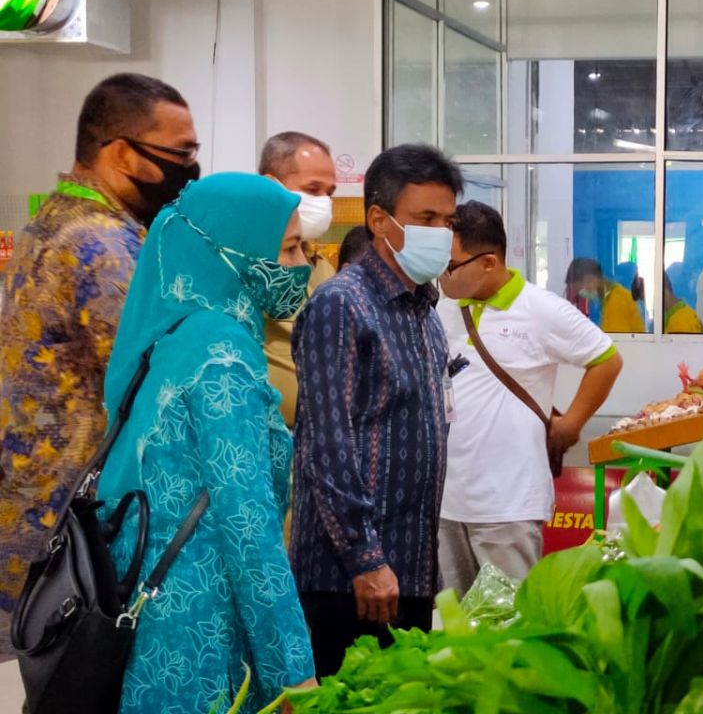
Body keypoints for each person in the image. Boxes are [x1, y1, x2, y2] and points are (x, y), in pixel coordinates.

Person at [95, 173, 315, 712]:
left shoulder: (175, 333)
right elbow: (249, 527)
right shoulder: (224, 358)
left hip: (145, 602)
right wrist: (294, 675)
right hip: (198, 627)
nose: (301, 262)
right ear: (233, 252)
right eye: (288, 247)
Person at [0, 73, 197, 654]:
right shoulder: (103, 246)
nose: (191, 165)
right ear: (119, 153)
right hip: (81, 534)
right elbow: (159, 380)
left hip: (32, 515)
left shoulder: (48, 222)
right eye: (180, 152)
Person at [290, 144, 460, 678]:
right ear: (379, 220)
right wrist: (365, 559)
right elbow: (327, 443)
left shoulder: (424, 311)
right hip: (353, 577)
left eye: (447, 220)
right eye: (425, 219)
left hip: (409, 563)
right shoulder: (342, 304)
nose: (440, 233)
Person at [437, 201, 622, 595]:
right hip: (447, 500)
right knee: (451, 623)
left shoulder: (541, 309)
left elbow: (606, 360)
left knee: (508, 622)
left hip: (508, 502)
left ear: (489, 263)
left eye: (451, 265)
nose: (443, 275)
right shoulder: (444, 308)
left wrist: (572, 423)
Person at [258, 131, 338, 428]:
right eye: (313, 189)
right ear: (271, 185)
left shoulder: (322, 266)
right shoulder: (248, 262)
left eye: (329, 193)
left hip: (318, 443)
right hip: (263, 439)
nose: (324, 203)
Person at [563, 257, 646, 334]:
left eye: (579, 290)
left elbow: (615, 343)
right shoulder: (608, 297)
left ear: (590, 279)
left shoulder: (616, 300)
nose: (582, 295)